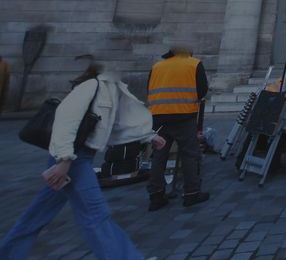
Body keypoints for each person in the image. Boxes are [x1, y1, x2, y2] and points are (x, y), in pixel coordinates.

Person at [0, 57, 165, 259]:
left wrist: (149, 136)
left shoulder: (112, 88)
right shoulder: (90, 86)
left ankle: (8, 253)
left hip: (77, 157)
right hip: (73, 158)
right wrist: (64, 160)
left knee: (38, 214)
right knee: (95, 214)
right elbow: (66, 120)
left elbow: (120, 122)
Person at [146, 46, 209, 210]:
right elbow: (202, 90)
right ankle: (191, 193)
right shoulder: (194, 64)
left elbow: (149, 89)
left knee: (159, 155)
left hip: (159, 115)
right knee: (189, 154)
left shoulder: (157, 66)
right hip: (184, 115)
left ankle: (156, 196)